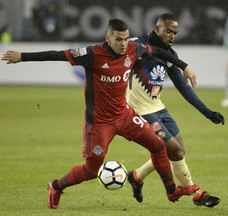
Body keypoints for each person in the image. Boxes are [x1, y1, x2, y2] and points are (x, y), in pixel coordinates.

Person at [1, 19, 198, 209]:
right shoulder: (91, 54)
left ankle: (171, 191)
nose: (123, 44)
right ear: (108, 38)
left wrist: (184, 66)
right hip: (99, 123)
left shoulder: (133, 48)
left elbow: (158, 51)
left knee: (158, 145)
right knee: (91, 170)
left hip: (125, 115)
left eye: (126, 38)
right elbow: (57, 54)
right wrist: (23, 57)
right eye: (119, 39)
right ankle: (56, 186)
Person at [126, 13, 224, 208]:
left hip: (158, 107)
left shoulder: (170, 55)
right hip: (139, 111)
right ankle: (197, 195)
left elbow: (183, 87)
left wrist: (207, 112)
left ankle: (136, 177)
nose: (172, 36)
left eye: (175, 33)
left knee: (178, 151)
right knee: (176, 152)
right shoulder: (136, 45)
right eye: (168, 31)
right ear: (157, 29)